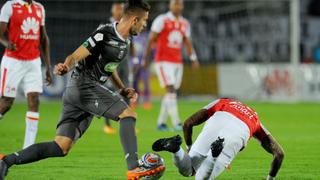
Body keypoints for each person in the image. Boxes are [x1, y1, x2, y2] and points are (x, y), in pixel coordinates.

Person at [0, 0, 165, 179]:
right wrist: (66, 66)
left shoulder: (126, 42)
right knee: (128, 115)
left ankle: (6, 161)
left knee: (61, 146)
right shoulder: (104, 33)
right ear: (134, 20)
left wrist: (122, 89)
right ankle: (134, 167)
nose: (144, 25)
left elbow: (110, 67)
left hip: (80, 92)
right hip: (83, 86)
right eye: (144, 21)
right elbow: (77, 54)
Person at [153, 98, 285, 180]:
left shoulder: (223, 101)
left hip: (218, 118)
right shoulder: (255, 120)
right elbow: (279, 154)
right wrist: (270, 179)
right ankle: (214, 155)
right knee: (201, 178)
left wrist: (189, 147)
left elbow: (188, 123)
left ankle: (176, 150)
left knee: (188, 170)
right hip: (238, 132)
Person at [0, 0, 52, 149]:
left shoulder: (39, 8)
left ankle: (27, 147)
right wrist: (6, 43)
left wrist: (47, 66)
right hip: (13, 61)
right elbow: (0, 33)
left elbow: (43, 38)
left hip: (33, 61)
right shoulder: (10, 6)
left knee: (34, 100)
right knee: (7, 102)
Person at [143, 0, 199, 131]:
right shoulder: (162, 20)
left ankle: (161, 123)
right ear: (170, 5)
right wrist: (145, 59)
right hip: (163, 61)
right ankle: (177, 123)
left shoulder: (185, 23)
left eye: (180, 4)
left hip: (177, 62)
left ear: (182, 6)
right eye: (175, 3)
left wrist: (193, 58)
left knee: (170, 93)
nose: (178, 6)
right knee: (171, 89)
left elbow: (187, 42)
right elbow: (151, 39)